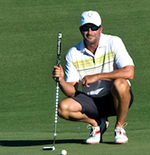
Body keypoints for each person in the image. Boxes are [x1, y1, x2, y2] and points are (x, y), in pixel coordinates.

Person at [54, 10, 135, 143]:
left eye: (94, 28)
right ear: (81, 30)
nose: (90, 32)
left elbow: (129, 72)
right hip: (91, 101)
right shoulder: (73, 53)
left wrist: (97, 76)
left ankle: (119, 127)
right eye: (85, 28)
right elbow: (71, 92)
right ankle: (97, 124)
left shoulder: (113, 42)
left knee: (120, 83)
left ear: (100, 29)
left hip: (114, 99)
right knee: (62, 108)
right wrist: (61, 80)